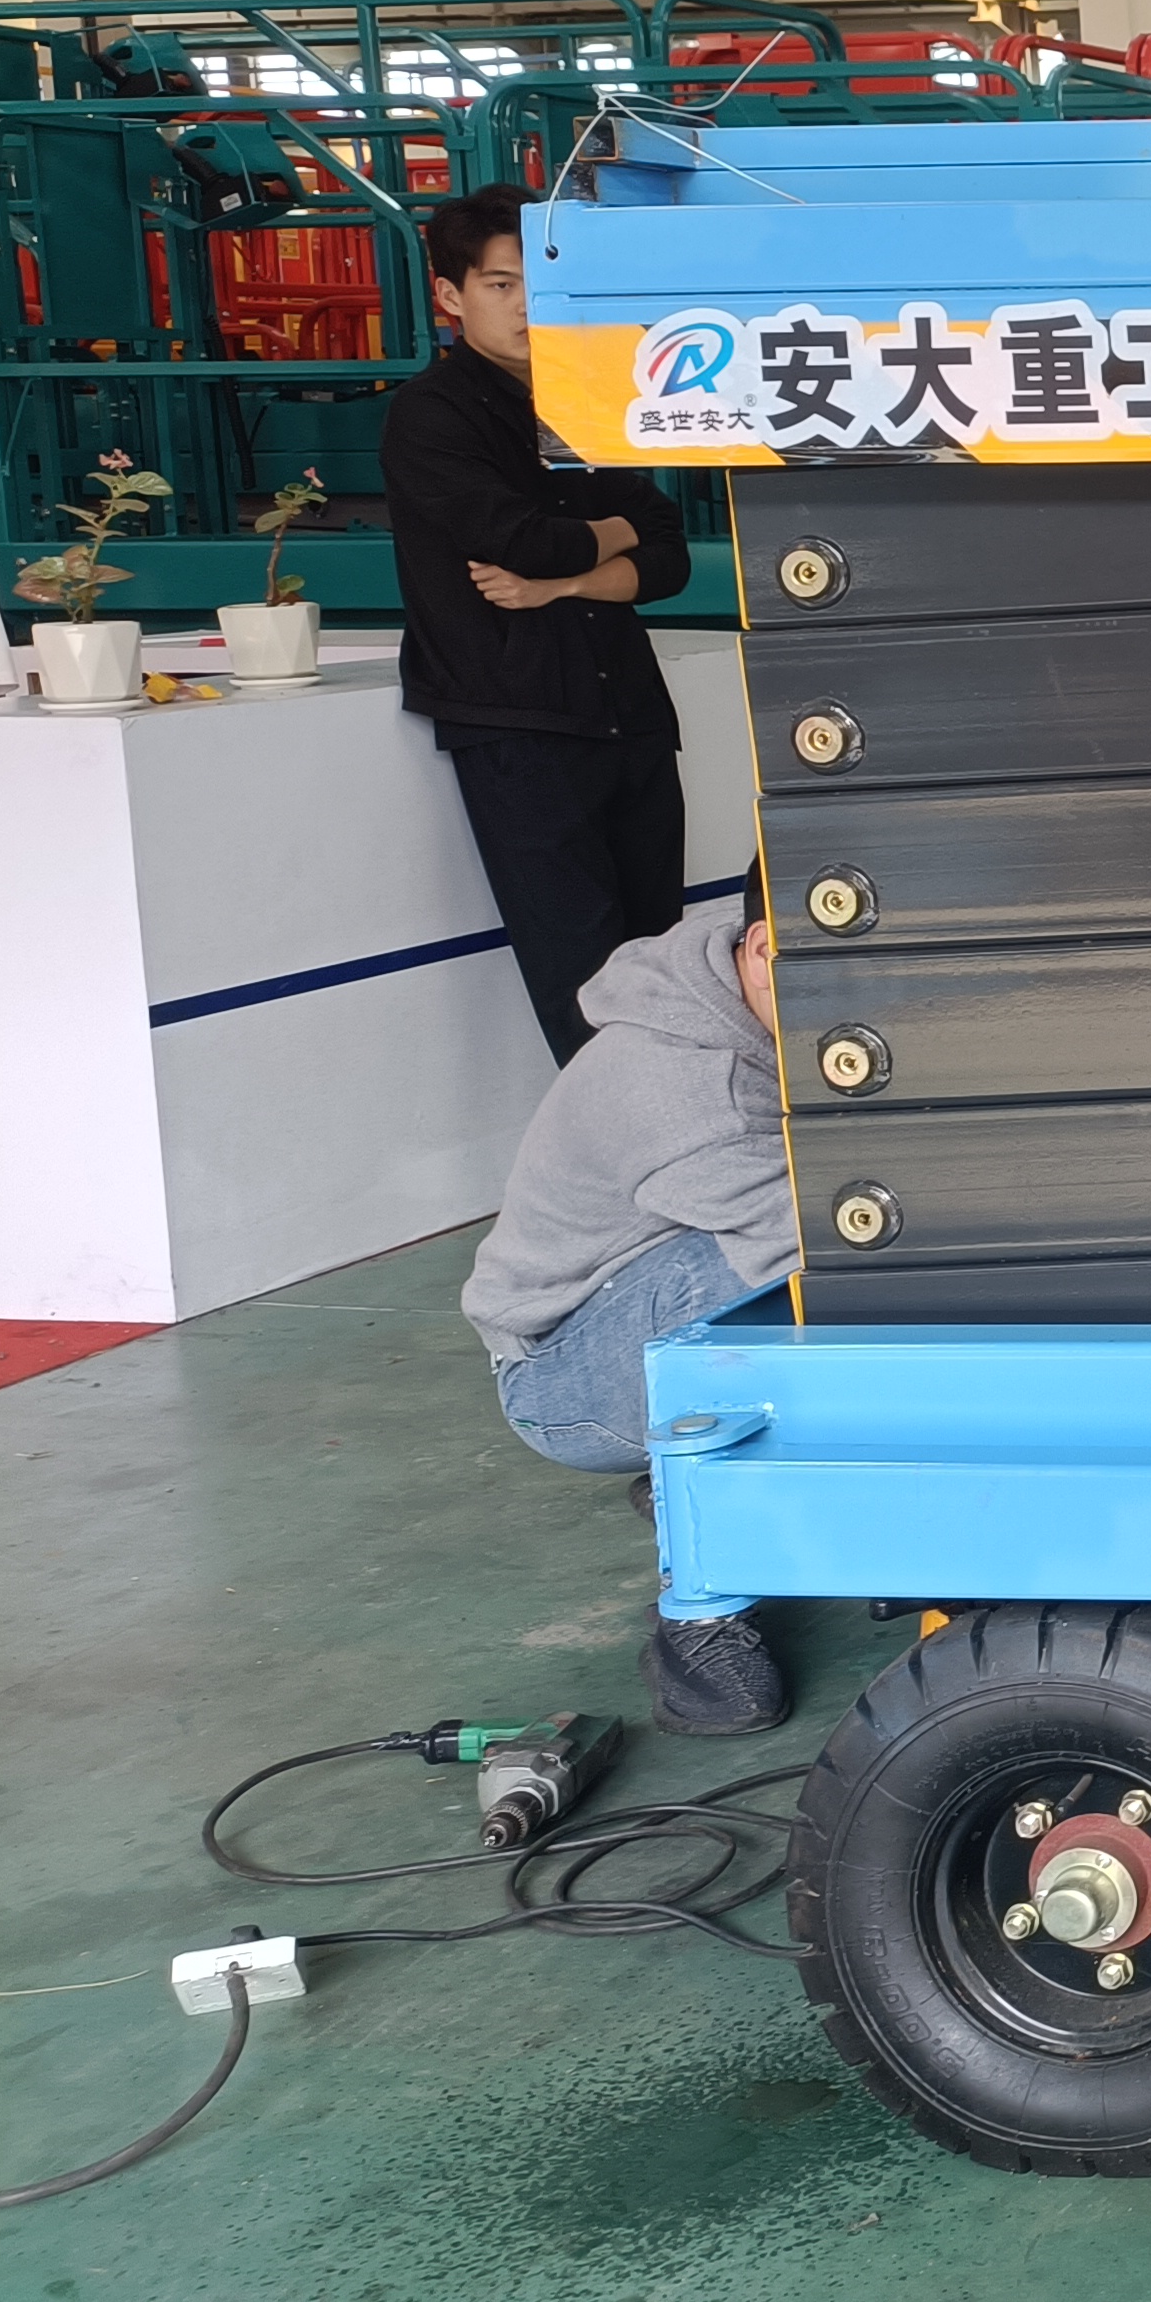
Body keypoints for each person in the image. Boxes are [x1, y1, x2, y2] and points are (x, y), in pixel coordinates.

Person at [463, 901, 802, 1734]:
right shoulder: (689, 1095)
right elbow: (835, 1246)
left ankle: (692, 1475)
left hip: (624, 1308)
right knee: (774, 1278)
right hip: (559, 1374)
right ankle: (700, 1621)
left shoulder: (754, 966)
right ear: (764, 948)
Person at [382, 185, 693, 1064]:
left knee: (659, 964)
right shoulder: (431, 414)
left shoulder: (583, 400)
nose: (526, 306)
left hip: (628, 714)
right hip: (521, 725)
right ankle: (615, 1145)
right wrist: (615, 536)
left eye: (541, 285)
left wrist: (568, 582)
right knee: (582, 981)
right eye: (501, 285)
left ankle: (676, 1137)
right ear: (450, 295)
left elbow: (673, 555)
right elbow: (522, 541)